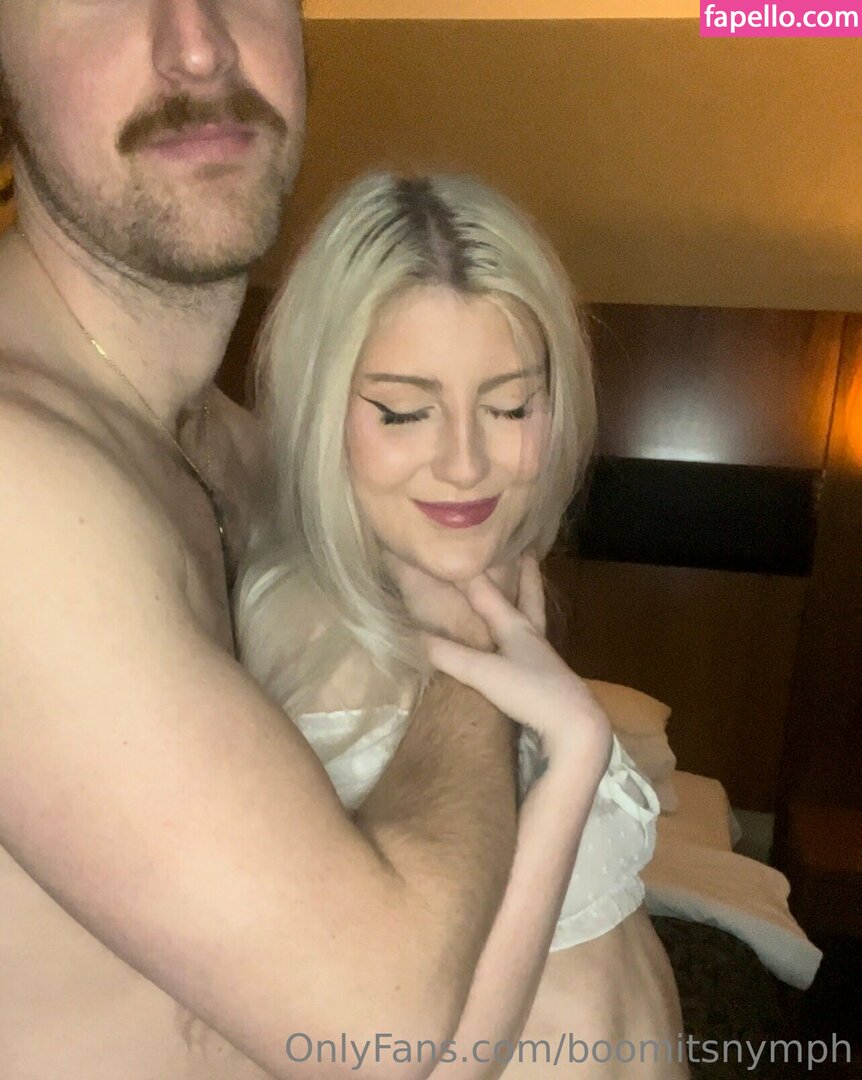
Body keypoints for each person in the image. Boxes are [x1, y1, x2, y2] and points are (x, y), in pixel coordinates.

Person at [0, 5, 606, 1079]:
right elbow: (380, 1036)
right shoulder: (21, 479)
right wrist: (472, 652)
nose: (198, 45)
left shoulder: (247, 454)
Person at [238, 172, 689, 1080]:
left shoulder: (484, 578)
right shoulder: (308, 632)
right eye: (406, 412)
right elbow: (416, 1059)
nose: (466, 463)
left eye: (511, 405)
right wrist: (575, 752)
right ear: (321, 408)